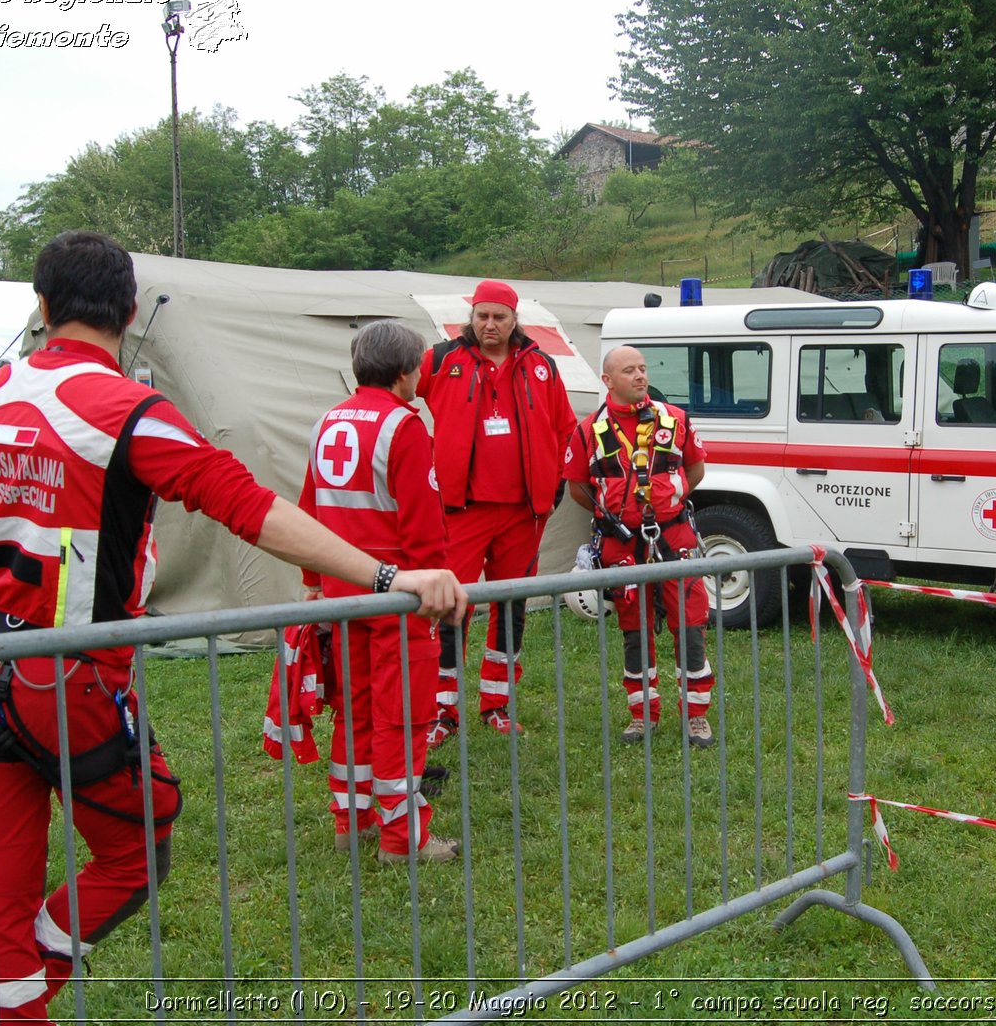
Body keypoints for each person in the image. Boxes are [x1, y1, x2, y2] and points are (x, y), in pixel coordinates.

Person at [0, 231, 466, 1025]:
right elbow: (249, 507)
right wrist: (386, 576)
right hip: (72, 675)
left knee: (1, 888)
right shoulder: (127, 411)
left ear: (41, 306)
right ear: (130, 313)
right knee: (141, 845)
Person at [297, 321, 457, 864]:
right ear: (407, 370)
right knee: (403, 717)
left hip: (342, 598)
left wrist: (314, 583)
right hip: (397, 598)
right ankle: (402, 839)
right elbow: (423, 524)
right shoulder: (403, 426)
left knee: (354, 709)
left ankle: (352, 821)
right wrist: (433, 587)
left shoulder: (327, 420)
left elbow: (308, 510)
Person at [415, 280, 578, 741]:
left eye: (499, 317)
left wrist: (554, 483)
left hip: (523, 513)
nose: (490, 325)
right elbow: (397, 396)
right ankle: (442, 709)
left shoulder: (541, 365)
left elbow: (567, 429)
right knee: (450, 607)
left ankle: (497, 703)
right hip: (460, 510)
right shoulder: (441, 359)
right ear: (471, 316)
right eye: (482, 316)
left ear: (514, 319)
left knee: (512, 606)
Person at [563, 346, 716, 747]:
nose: (640, 376)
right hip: (621, 544)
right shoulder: (587, 430)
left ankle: (697, 717)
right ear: (608, 381)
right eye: (629, 370)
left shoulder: (676, 419)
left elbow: (696, 469)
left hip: (674, 535)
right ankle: (642, 714)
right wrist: (613, 514)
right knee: (635, 629)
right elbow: (578, 485)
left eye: (643, 369)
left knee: (690, 625)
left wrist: (670, 499)